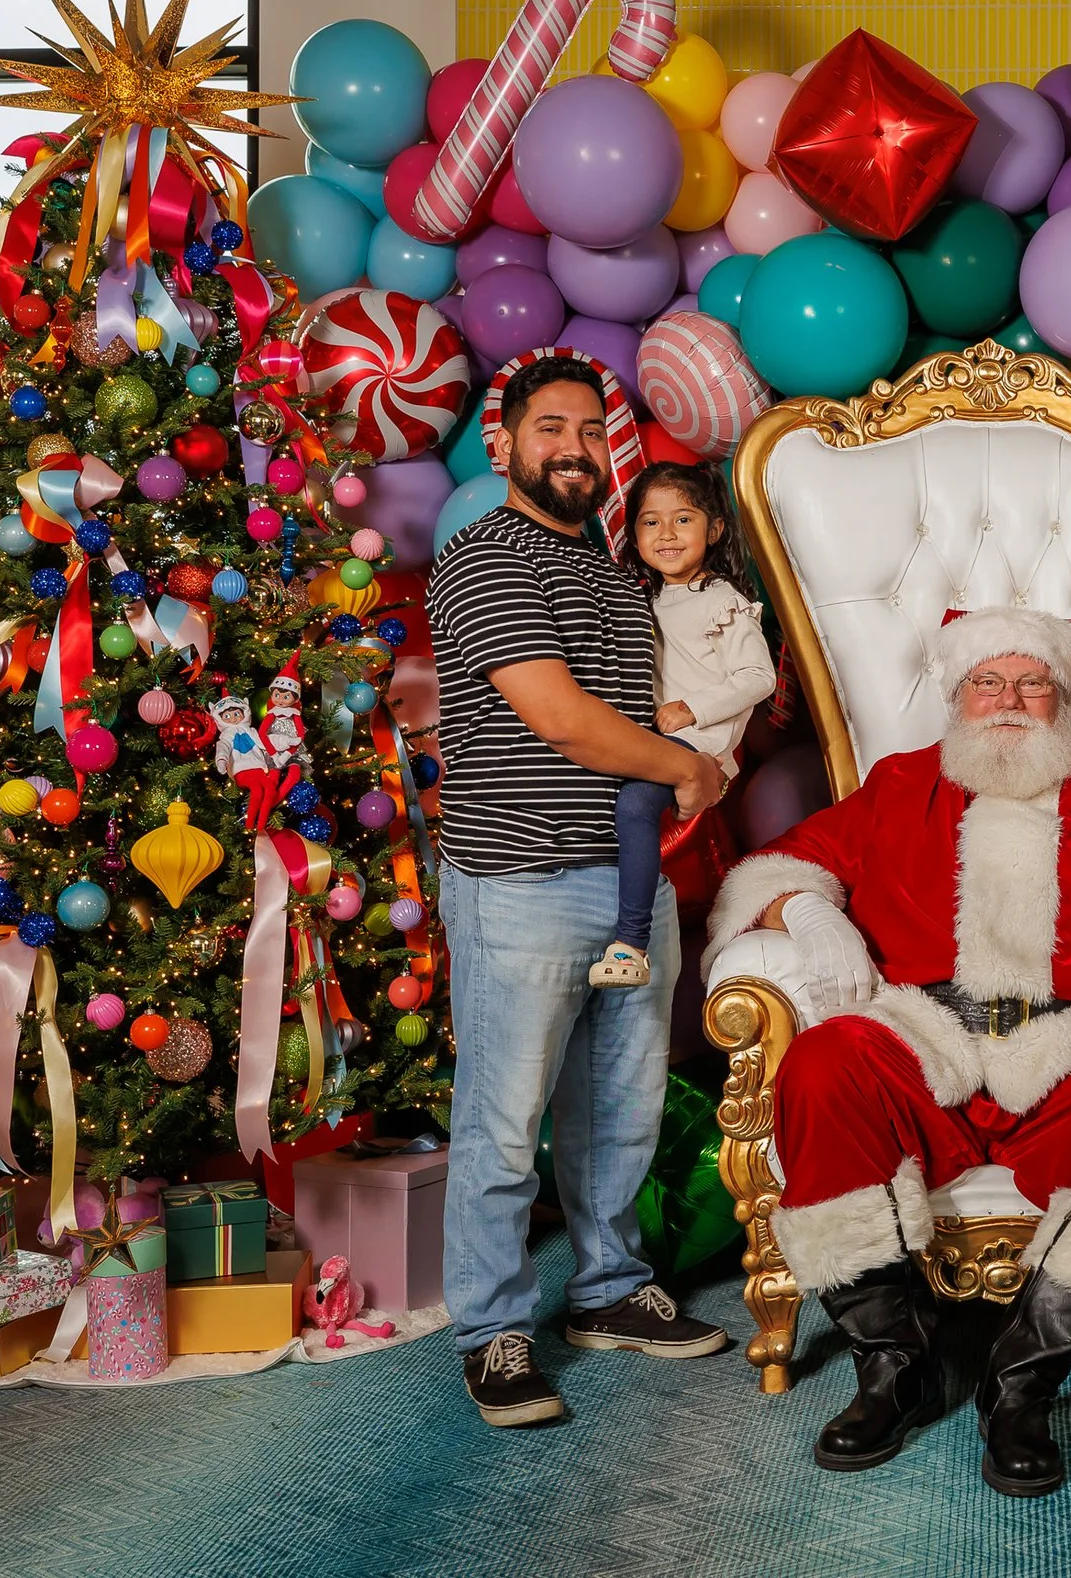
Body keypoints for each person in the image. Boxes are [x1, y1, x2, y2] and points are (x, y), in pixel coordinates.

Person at [704, 607, 1071, 1497]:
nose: (1008, 702)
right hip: (925, 1037)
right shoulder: (901, 785)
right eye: (988, 682)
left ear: (1061, 698)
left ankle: (1020, 1382)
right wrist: (808, 912)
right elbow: (785, 862)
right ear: (957, 695)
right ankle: (892, 1368)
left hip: (1066, 1047)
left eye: (1031, 684)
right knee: (821, 1067)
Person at [426, 354, 731, 1429]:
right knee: (505, 1126)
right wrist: (685, 766)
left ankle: (607, 1291)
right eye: (550, 427)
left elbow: (650, 698)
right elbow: (558, 716)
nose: (575, 446)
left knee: (619, 1110)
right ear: (502, 445)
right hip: (521, 882)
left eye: (592, 430)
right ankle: (494, 1330)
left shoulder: (610, 573)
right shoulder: (482, 560)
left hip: (627, 884)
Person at [590, 462, 773, 990]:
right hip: (656, 735)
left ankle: (631, 942)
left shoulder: (725, 602)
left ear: (713, 529)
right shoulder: (642, 599)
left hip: (697, 740)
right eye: (651, 522)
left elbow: (758, 676)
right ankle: (609, 920)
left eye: (683, 519)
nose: (666, 534)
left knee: (635, 804)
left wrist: (692, 708)